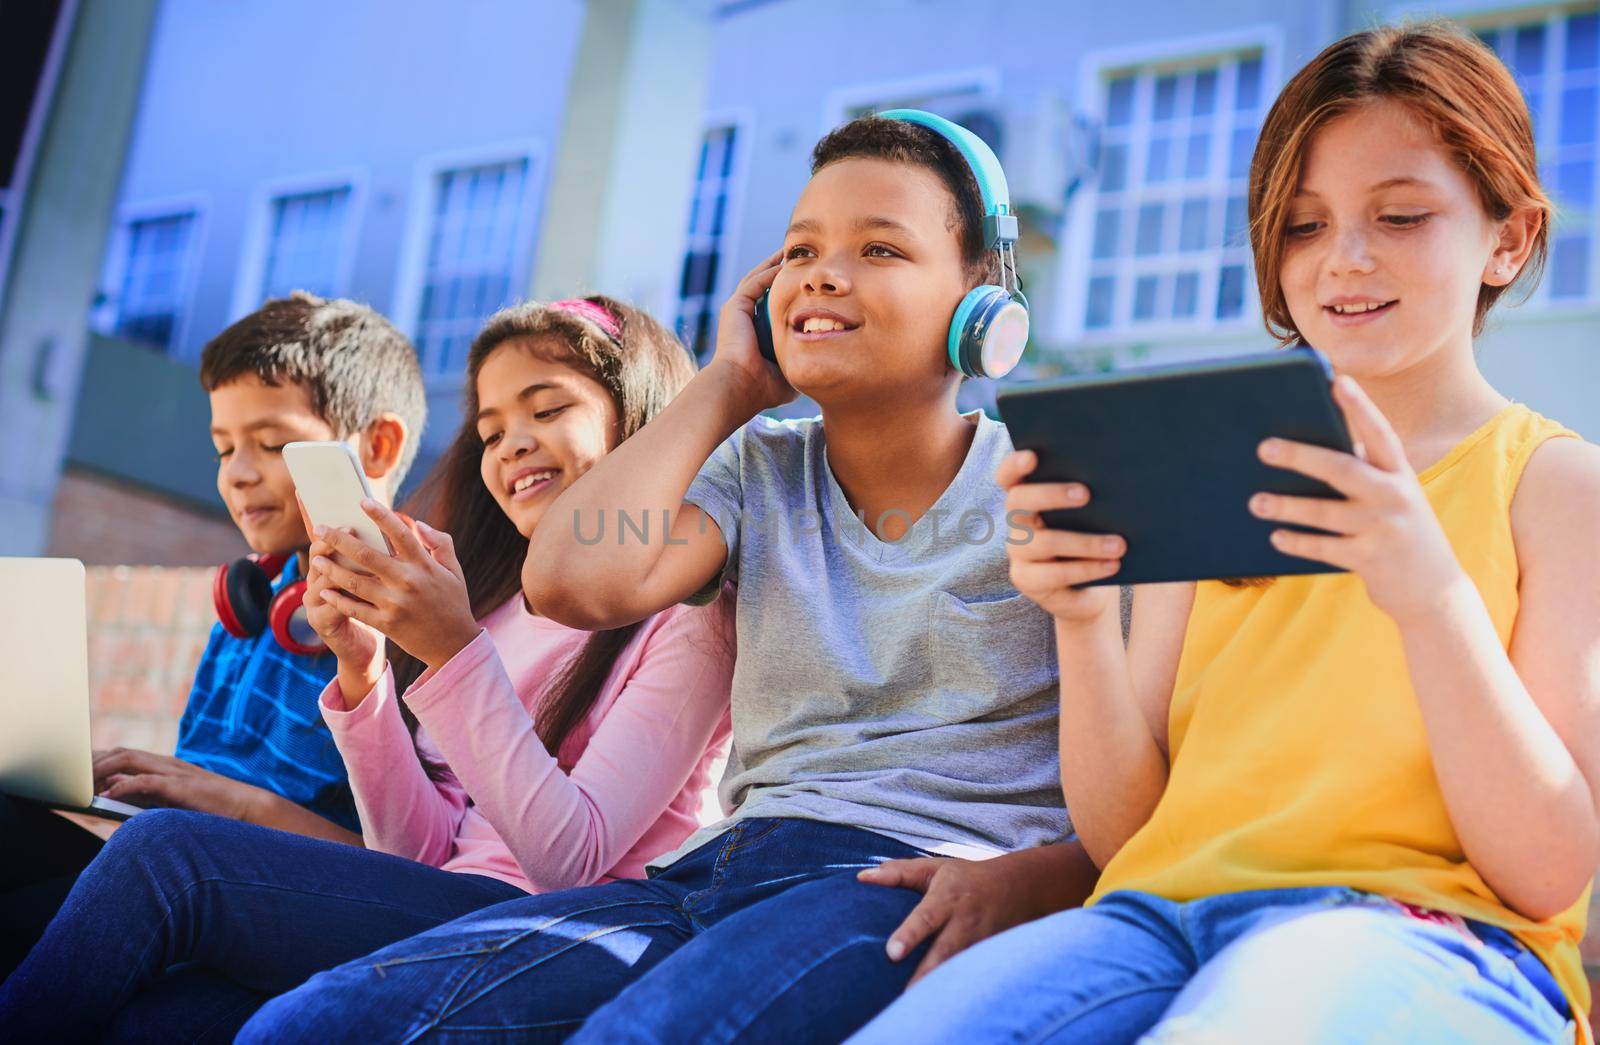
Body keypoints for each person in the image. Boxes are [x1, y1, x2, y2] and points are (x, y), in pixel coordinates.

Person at [238, 112, 1092, 1043]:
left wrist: (1038, 878)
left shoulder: (1055, 480)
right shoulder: (753, 470)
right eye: (799, 250)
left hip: (895, 876)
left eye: (880, 248)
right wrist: (728, 384)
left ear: (983, 302)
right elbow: (567, 582)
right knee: (311, 1022)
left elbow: (1154, 764)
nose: (822, 272)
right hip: (710, 875)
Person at [854, 21, 1599, 1044]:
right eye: (1300, 226)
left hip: (1426, 935)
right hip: (1152, 922)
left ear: (1507, 238)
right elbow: (1132, 840)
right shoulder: (1206, 463)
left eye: (1400, 216)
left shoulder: (1552, 483)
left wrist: (1429, 598)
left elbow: (1550, 868)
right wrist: (1076, 621)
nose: (1342, 258)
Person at [0, 297, 735, 1042]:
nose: (512, 444)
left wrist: (454, 652)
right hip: (435, 898)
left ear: (644, 423)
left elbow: (569, 860)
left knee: (163, 856)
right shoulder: (503, 606)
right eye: (491, 430)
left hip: (549, 926)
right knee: (159, 1021)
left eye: (546, 409)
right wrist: (364, 671)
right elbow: (415, 852)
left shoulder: (693, 615)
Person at [0, 291, 425, 974]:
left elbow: (402, 867)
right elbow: (195, 784)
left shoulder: (411, 626)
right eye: (224, 446)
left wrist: (218, 800)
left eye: (273, 442)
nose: (239, 471)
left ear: (376, 445)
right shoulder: (250, 602)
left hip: (262, 897)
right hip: (162, 858)